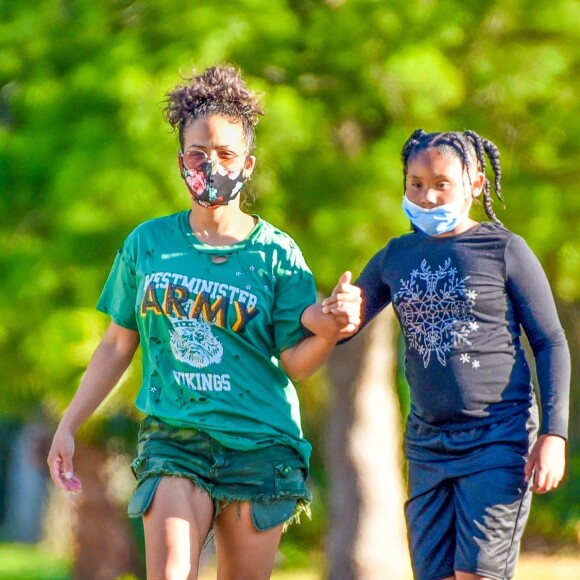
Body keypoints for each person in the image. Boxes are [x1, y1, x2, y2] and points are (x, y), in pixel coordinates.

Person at [47, 64, 361, 580]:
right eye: (198, 152)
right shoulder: (147, 244)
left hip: (259, 447)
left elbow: (298, 362)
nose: (210, 164)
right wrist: (69, 424)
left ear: (248, 164)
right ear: (180, 160)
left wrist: (330, 329)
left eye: (225, 154)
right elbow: (116, 346)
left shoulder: (277, 255)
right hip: (176, 438)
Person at [308, 129, 571, 580]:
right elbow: (346, 329)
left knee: (477, 575)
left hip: (498, 438)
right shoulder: (396, 255)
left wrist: (554, 435)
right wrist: (335, 312)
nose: (427, 196)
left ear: (475, 184)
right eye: (415, 183)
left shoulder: (504, 249)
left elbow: (550, 342)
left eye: (441, 183)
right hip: (428, 446)